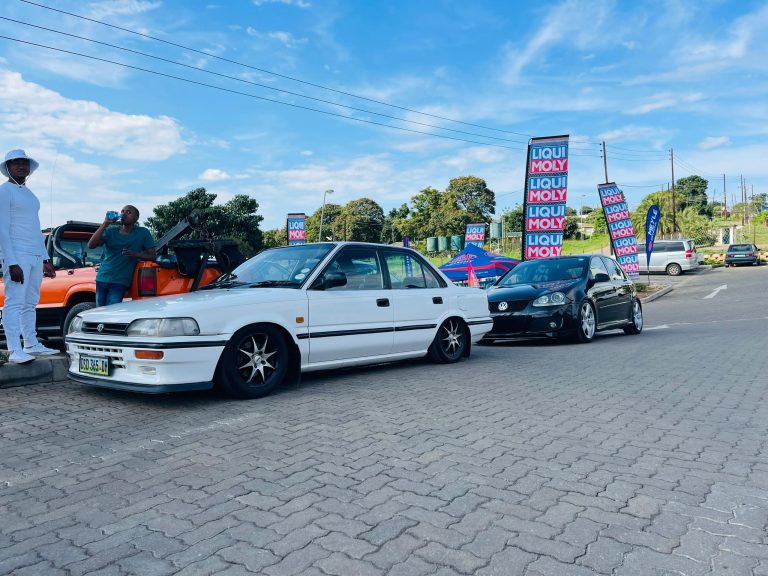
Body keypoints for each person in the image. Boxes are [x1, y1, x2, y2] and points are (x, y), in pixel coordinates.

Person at [0, 149, 58, 364]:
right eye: (16, 163)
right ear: (7, 167)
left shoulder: (30, 194)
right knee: (15, 302)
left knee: (30, 302)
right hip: (17, 254)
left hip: (34, 254)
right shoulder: (4, 192)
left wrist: (45, 258)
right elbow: (2, 229)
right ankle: (14, 349)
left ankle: (31, 344)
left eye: (24, 163)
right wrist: (11, 262)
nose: (21, 166)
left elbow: (35, 228)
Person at [88, 205, 155, 307]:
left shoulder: (143, 233)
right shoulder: (110, 230)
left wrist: (135, 254)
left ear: (136, 218)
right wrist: (105, 223)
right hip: (102, 278)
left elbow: (153, 256)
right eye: (122, 211)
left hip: (120, 281)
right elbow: (91, 245)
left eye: (128, 212)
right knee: (100, 311)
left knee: (112, 311)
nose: (124, 214)